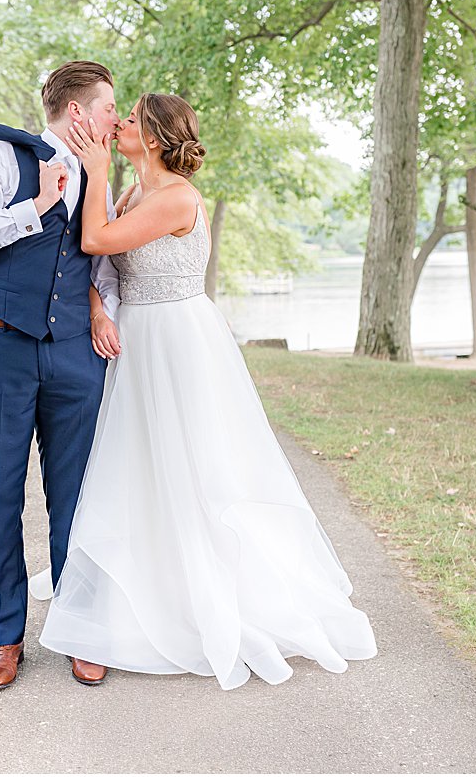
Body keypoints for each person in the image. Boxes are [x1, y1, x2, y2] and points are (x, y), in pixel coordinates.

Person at [36, 92, 379, 691]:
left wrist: (92, 172)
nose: (119, 124)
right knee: (134, 469)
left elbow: (94, 240)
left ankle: (204, 597)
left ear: (159, 136)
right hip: (136, 338)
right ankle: (128, 597)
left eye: (133, 120)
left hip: (178, 341)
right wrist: (97, 311)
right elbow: (102, 271)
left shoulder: (175, 198)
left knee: (193, 470)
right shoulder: (132, 192)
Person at [0, 60, 125, 690]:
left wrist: (99, 310)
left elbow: (102, 260)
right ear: (78, 114)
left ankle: (75, 630)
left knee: (75, 497)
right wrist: (37, 204)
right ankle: (5, 635)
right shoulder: (0, 157)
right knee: (1, 494)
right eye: (107, 110)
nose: (115, 121)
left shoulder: (100, 175)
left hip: (74, 355)